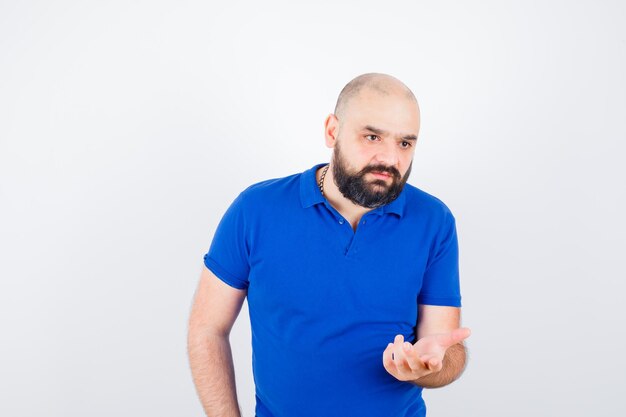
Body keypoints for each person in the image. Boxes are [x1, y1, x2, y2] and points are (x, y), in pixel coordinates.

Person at [187, 72, 471, 417]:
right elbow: (207, 328)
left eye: (405, 143)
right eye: (372, 136)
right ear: (332, 131)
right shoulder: (255, 210)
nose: (390, 159)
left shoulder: (434, 221)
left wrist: (431, 364)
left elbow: (446, 349)